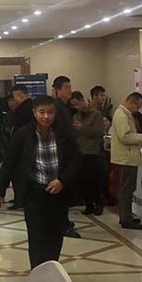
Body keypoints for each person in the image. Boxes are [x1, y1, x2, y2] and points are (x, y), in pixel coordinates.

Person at [0, 95, 80, 268]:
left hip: (58, 193)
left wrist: (62, 181)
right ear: (34, 113)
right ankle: (37, 272)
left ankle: (51, 269)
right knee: (36, 236)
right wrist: (0, 189)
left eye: (50, 112)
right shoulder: (23, 135)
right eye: (42, 112)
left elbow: (75, 161)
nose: (46, 116)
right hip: (34, 192)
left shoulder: (64, 134)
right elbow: (10, 161)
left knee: (55, 235)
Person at [111, 92, 142, 230]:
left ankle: (126, 215)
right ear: (131, 103)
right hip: (126, 158)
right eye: (138, 106)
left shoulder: (125, 114)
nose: (138, 110)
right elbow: (125, 137)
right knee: (126, 189)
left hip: (128, 157)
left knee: (129, 189)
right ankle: (126, 219)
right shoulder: (121, 115)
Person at [51, 78, 80, 238]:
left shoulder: (65, 106)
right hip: (61, 154)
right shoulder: (57, 107)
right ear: (58, 90)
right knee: (61, 191)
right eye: (66, 87)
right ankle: (62, 224)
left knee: (65, 191)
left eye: (70, 86)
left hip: (67, 152)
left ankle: (64, 221)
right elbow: (62, 132)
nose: (70, 90)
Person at [71, 92, 106, 216]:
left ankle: (99, 203)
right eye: (74, 105)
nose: (77, 107)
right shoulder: (76, 116)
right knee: (84, 181)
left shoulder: (96, 115)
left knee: (95, 181)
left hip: (93, 152)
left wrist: (82, 128)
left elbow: (98, 132)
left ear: (83, 100)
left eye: (78, 103)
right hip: (81, 152)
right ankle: (88, 204)